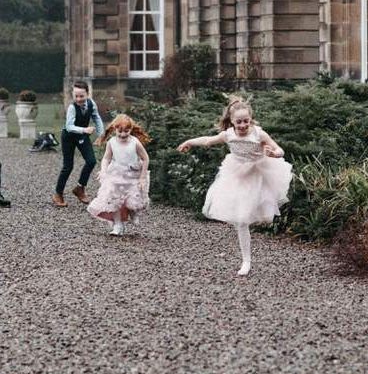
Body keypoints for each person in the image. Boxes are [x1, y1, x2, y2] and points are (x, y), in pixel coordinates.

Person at [177, 98, 291, 276]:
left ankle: (261, 218)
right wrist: (189, 142)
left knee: (263, 216)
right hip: (237, 176)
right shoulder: (228, 135)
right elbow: (207, 140)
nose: (243, 125)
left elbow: (280, 150)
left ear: (250, 119)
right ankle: (246, 261)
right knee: (241, 220)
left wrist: (274, 154)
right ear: (232, 121)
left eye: (246, 121)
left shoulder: (259, 134)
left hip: (259, 174)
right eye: (239, 122)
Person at [87, 114, 150, 236]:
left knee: (133, 199)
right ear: (114, 129)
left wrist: (142, 177)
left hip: (132, 175)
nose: (122, 134)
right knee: (113, 200)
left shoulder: (135, 142)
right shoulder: (112, 142)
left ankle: (133, 212)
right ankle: (117, 225)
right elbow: (106, 158)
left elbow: (145, 158)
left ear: (131, 129)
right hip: (116, 176)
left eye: (126, 131)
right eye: (119, 131)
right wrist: (103, 170)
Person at [53, 81, 105, 207]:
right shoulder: (72, 108)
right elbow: (69, 126)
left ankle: (80, 188)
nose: (78, 99)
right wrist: (84, 130)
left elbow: (96, 118)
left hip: (82, 136)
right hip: (69, 137)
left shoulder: (91, 104)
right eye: (76, 96)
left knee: (91, 161)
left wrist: (101, 135)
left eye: (81, 96)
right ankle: (58, 194)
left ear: (88, 94)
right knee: (68, 166)